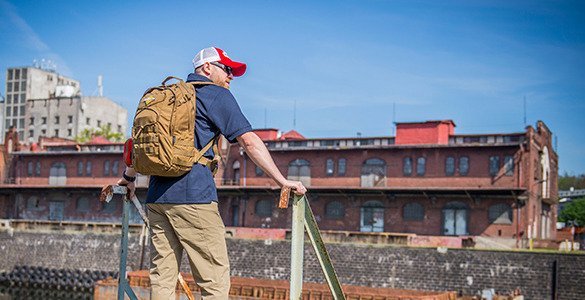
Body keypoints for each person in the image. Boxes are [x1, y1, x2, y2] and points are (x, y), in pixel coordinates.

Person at [118, 47, 306, 299]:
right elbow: (249, 141)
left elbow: (140, 143)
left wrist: (128, 179)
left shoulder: (167, 96)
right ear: (207, 68)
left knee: (162, 277)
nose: (231, 76)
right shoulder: (216, 95)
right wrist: (282, 180)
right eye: (227, 69)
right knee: (214, 281)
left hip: (157, 198)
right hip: (194, 197)